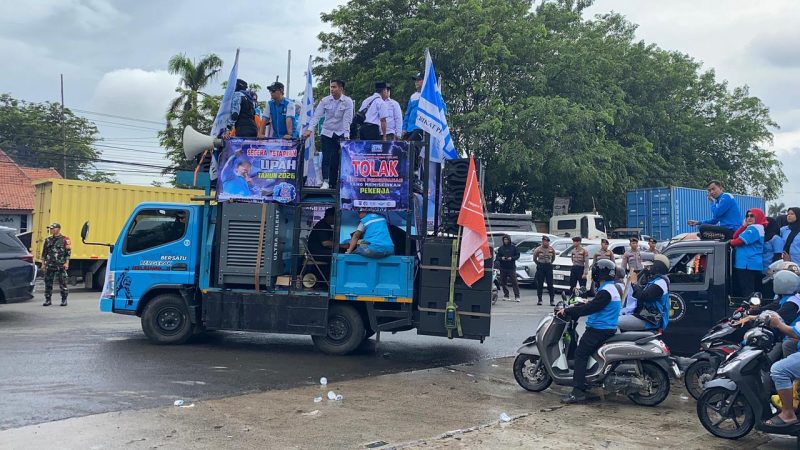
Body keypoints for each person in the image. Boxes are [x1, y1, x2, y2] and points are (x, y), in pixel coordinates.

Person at [558, 259, 621, 404]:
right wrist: (586, 303)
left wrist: (568, 310)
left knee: (580, 353)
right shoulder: (612, 288)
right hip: (606, 327)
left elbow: (590, 309)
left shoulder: (605, 291)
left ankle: (578, 391)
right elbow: (596, 304)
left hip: (599, 329)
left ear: (599, 274)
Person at [306, 79, 354, 189]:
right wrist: (310, 129)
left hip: (340, 133)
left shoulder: (348, 101)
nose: (332, 89)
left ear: (341, 88)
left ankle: (334, 182)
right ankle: (325, 181)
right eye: (331, 87)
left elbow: (347, 120)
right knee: (326, 157)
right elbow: (317, 116)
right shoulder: (325, 100)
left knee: (336, 159)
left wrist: (346, 135)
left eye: (334, 87)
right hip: (327, 132)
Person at [618, 254, 671, 331]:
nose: (647, 268)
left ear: (658, 267)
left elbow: (644, 296)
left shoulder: (661, 283)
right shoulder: (655, 280)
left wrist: (634, 283)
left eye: (649, 266)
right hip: (644, 316)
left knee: (614, 323)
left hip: (650, 320)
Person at [730, 208, 767, 297]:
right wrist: (743, 226)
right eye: (747, 216)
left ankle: (749, 309)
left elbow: (738, 241)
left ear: (758, 217)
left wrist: (729, 242)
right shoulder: (752, 228)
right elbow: (734, 236)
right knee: (747, 290)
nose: (749, 218)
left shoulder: (755, 228)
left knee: (748, 291)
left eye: (752, 216)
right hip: (747, 264)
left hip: (748, 264)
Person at [42, 223, 71, 307]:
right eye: (50, 229)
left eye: (52, 228)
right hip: (50, 264)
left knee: (63, 283)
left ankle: (64, 299)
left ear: (58, 229)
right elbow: (44, 253)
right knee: (48, 282)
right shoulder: (48, 240)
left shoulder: (65, 239)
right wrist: (43, 264)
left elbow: (68, 253)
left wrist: (66, 263)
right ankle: (48, 299)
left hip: (61, 264)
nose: (51, 230)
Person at [307, 207, 335, 272]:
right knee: (337, 256)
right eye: (335, 217)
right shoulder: (322, 225)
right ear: (330, 216)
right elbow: (325, 243)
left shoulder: (327, 226)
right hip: (316, 252)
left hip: (321, 250)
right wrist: (341, 245)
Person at [763, 217, 785, 299]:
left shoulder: (776, 238)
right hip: (760, 270)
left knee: (769, 293)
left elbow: (778, 255)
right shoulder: (762, 237)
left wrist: (772, 269)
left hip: (770, 271)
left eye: (766, 223)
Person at [533, 236, 557, 306]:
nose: (545, 242)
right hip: (541, 266)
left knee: (550, 284)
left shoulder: (551, 249)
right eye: (544, 241)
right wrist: (539, 264)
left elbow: (553, 258)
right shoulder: (538, 249)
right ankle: (540, 299)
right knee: (540, 283)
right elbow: (534, 258)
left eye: (546, 241)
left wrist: (550, 263)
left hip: (548, 266)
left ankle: (552, 300)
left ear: (548, 242)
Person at [496, 235, 521, 302]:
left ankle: (517, 296)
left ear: (509, 240)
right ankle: (506, 295)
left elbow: (518, 255)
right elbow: (497, 257)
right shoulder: (501, 248)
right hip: (503, 267)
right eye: (504, 240)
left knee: (514, 282)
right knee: (503, 282)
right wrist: (502, 258)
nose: (506, 241)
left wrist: (511, 258)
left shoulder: (513, 247)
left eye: (507, 239)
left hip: (511, 267)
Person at [402, 72, 424, 142]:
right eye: (415, 80)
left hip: (421, 128)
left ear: (424, 81)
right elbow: (407, 114)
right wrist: (404, 128)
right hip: (409, 129)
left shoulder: (429, 95)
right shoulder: (413, 96)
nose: (416, 82)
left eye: (419, 80)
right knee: (402, 148)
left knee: (410, 146)